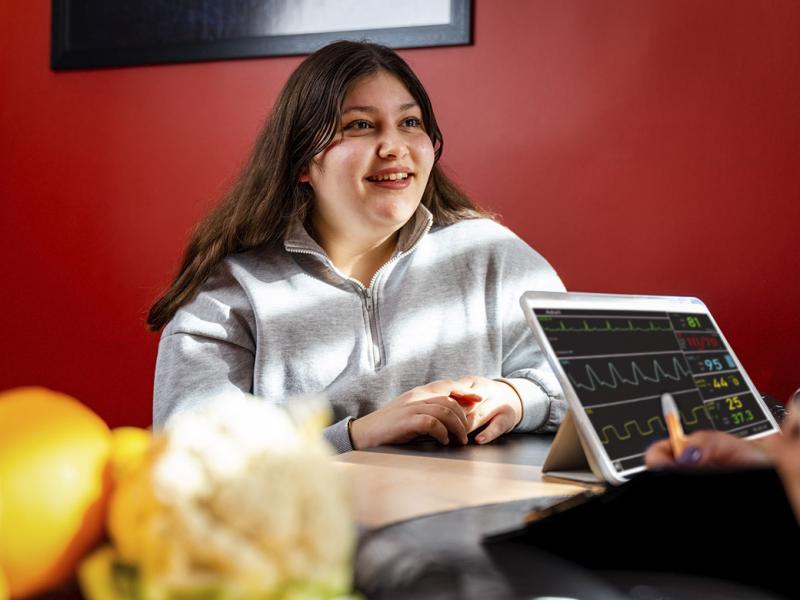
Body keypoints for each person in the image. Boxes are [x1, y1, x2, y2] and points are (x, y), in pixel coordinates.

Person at [148, 41, 567, 452]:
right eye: (361, 125)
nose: (394, 147)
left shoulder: (490, 255)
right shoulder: (230, 295)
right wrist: (356, 435)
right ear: (301, 163)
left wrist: (517, 397)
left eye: (410, 122)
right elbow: (189, 455)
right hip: (316, 522)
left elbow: (601, 390)